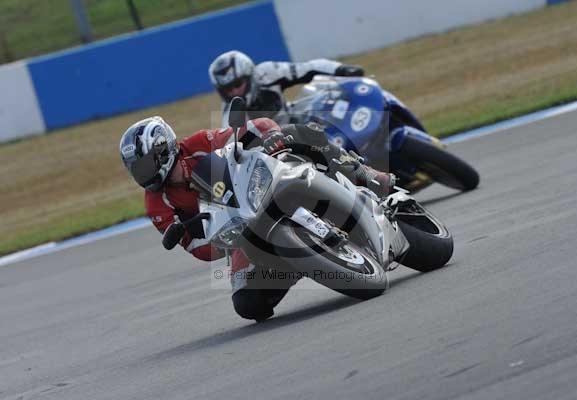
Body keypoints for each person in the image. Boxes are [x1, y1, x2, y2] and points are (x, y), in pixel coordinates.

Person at [119, 116, 397, 321]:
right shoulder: (157, 204)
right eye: (135, 170)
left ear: (163, 150)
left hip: (265, 186)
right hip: (242, 233)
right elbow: (197, 248)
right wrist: (220, 241)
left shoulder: (200, 144)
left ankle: (367, 174)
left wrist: (271, 137)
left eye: (143, 166)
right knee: (247, 304)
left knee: (296, 132)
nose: (141, 176)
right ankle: (299, 262)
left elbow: (257, 126)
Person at [208, 50, 364, 124]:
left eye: (237, 84)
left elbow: (310, 68)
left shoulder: (267, 72)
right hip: (275, 154)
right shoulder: (230, 116)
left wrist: (341, 70)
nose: (234, 91)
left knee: (321, 101)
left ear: (250, 75)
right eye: (227, 89)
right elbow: (234, 152)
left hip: (295, 122)